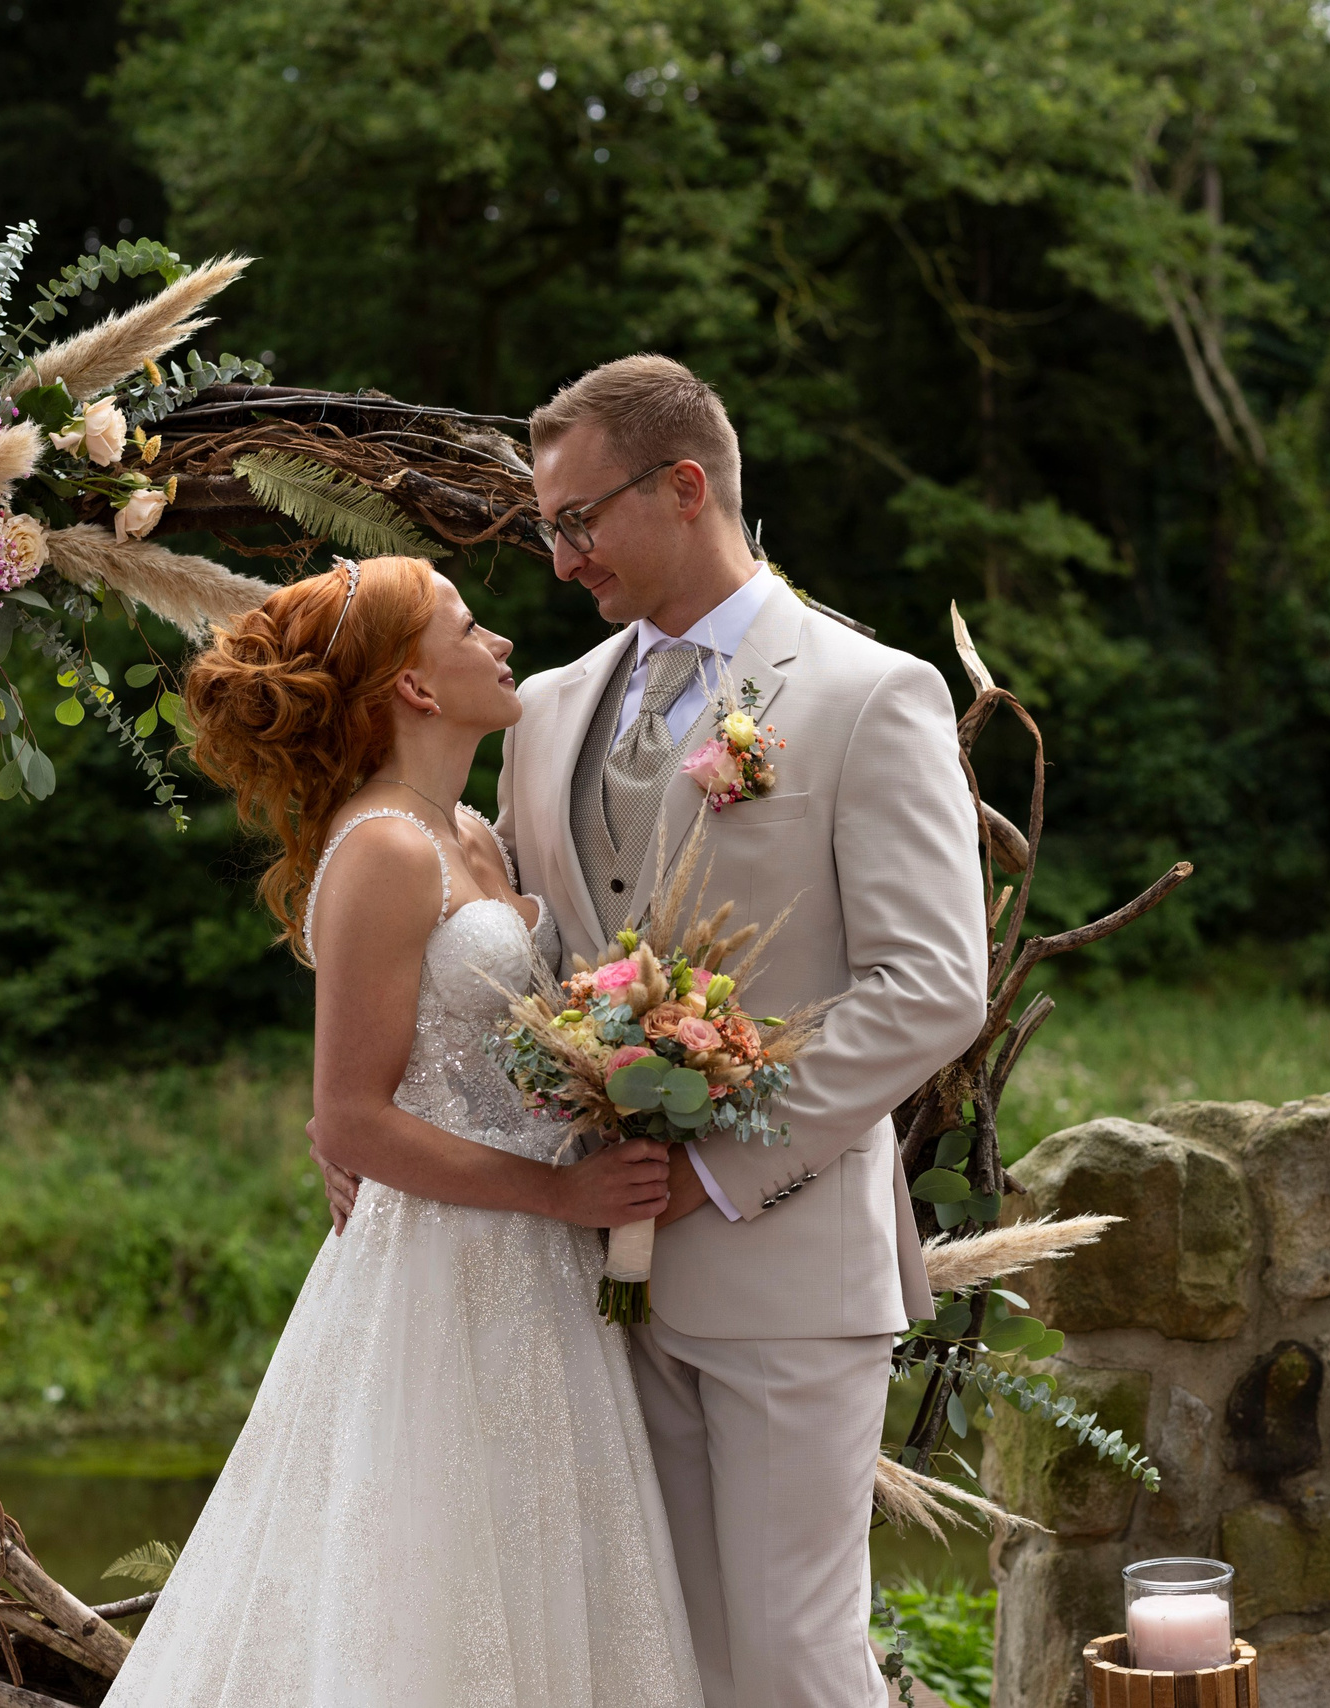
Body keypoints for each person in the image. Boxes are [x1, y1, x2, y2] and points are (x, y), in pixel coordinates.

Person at [328, 355, 992, 1707]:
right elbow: (532, 970)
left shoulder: (872, 696)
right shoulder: (553, 711)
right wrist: (384, 1123)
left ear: (686, 489)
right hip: (586, 1293)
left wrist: (715, 1166)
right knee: (665, 1660)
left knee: (799, 1658)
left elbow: (932, 984)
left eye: (579, 521)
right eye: (548, 529)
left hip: (791, 1266)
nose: (561, 560)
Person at [106, 555, 704, 1707]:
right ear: (415, 689)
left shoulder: (472, 829)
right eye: (469, 628)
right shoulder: (383, 847)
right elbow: (353, 1115)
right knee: (431, 1584)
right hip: (445, 1270)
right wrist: (561, 1196)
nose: (501, 644)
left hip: (537, 1275)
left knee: (540, 1582)